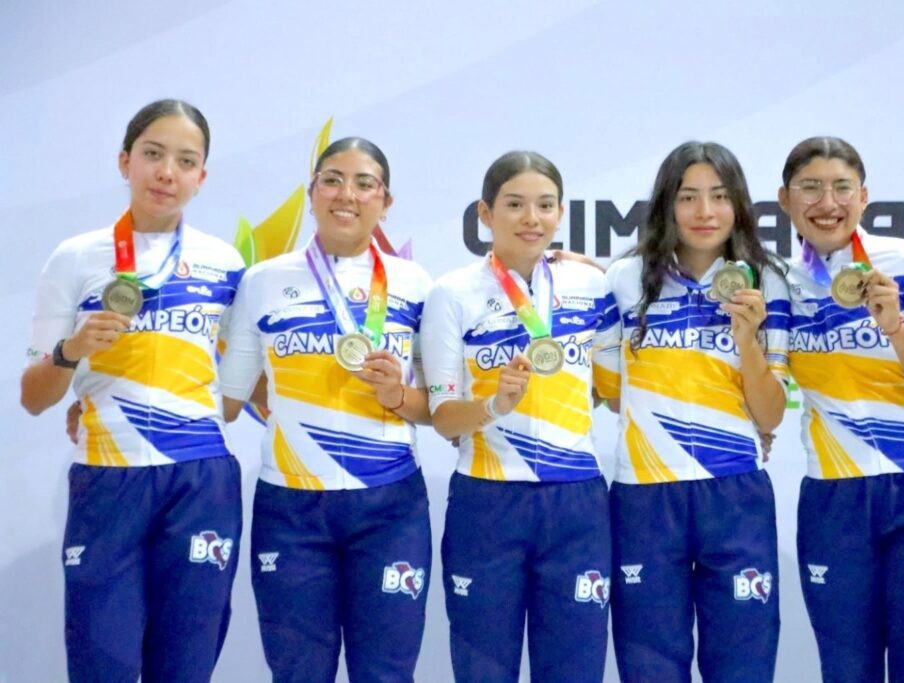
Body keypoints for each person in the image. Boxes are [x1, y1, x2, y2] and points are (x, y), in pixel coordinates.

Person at [20, 99, 245, 682]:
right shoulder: (74, 258)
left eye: (185, 161)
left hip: (200, 480)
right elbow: (33, 397)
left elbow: (251, 381)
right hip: (108, 476)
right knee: (104, 664)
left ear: (201, 176)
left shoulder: (225, 264)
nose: (167, 172)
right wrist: (72, 350)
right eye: (153, 154)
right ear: (125, 161)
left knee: (186, 667)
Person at [217, 137, 434, 682]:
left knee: (386, 674)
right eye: (332, 180)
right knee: (298, 673)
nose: (347, 194)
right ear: (312, 193)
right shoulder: (263, 281)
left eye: (365, 184)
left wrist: (398, 395)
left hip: (390, 506)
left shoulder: (416, 284)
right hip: (291, 507)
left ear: (386, 201)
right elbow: (227, 397)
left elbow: (438, 408)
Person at [778, 136, 904, 683]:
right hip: (833, 497)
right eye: (810, 188)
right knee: (845, 673)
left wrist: (896, 329)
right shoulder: (781, 282)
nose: (827, 203)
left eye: (842, 187)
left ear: (864, 197)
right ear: (785, 200)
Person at [421, 151, 619, 682]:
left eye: (545, 205)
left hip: (576, 501)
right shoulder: (451, 293)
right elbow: (444, 419)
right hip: (487, 501)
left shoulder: (592, 287)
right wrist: (494, 406)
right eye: (514, 204)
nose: (532, 218)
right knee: (484, 670)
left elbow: (615, 391)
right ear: (485, 214)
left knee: (575, 671)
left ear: (560, 214)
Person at [603, 141, 788, 682]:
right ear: (667, 204)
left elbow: (771, 416)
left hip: (734, 495)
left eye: (719, 196)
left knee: (742, 667)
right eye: (688, 197)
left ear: (739, 205)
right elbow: (611, 392)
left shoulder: (766, 280)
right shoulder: (624, 279)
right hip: (644, 495)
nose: (705, 211)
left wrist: (747, 341)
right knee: (649, 667)